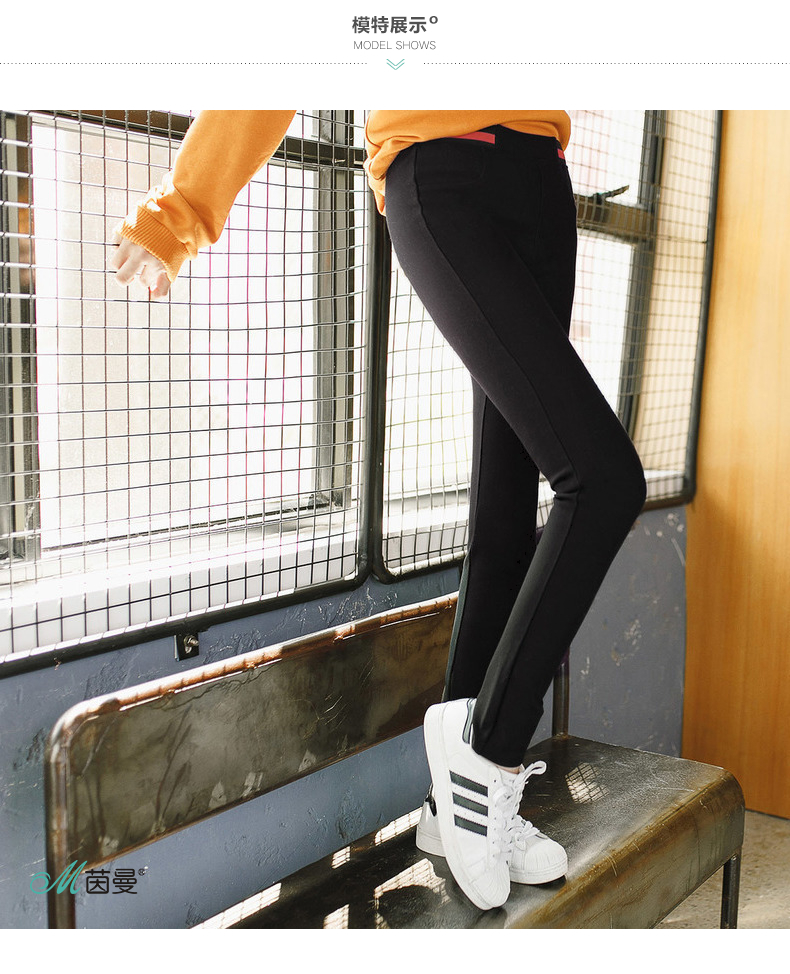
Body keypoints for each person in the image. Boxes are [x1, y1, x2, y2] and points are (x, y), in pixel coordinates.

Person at [111, 110, 647, 912]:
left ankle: (445, 810)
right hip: (442, 166)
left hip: (543, 177)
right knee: (602, 482)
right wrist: (180, 211)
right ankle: (488, 757)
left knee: (506, 510)